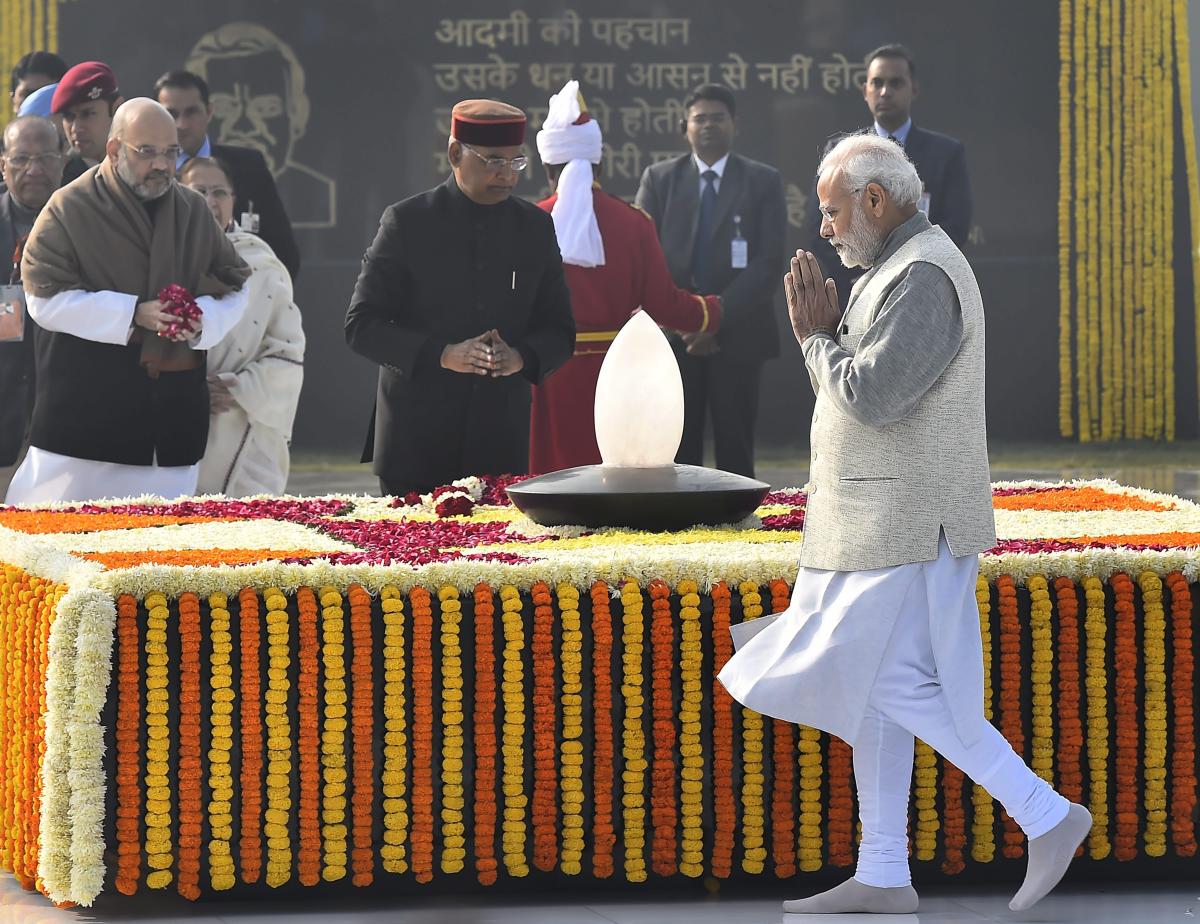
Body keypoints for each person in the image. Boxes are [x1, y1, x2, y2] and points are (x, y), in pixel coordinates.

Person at [718, 134, 1090, 915]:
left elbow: (873, 395)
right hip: (874, 522)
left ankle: (1047, 815)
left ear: (876, 202)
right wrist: (825, 342)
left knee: (887, 680)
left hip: (908, 524)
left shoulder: (923, 276)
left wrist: (815, 341)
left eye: (831, 211)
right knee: (873, 694)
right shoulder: (896, 266)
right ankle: (885, 870)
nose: (823, 229)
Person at [5, 99, 250, 505]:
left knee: (163, 553)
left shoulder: (191, 209)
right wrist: (131, 313)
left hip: (170, 419)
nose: (161, 164)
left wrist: (202, 321)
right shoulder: (70, 207)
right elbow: (42, 299)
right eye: (146, 151)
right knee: (50, 548)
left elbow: (236, 283)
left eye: (170, 152)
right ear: (115, 150)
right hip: (82, 420)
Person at [346, 98, 575, 496]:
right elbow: (361, 325)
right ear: (455, 153)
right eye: (492, 161)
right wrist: (442, 353)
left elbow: (559, 329)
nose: (506, 175)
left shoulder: (534, 228)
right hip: (415, 444)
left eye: (515, 162)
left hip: (500, 442)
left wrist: (520, 357)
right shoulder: (408, 222)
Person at [530, 80, 720, 474]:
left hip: (550, 375)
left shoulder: (529, 222)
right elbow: (663, 304)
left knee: (555, 483)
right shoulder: (632, 223)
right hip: (618, 375)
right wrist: (712, 313)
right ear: (599, 163)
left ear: (547, 167)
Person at [635, 83, 786, 478]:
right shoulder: (659, 179)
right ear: (685, 126)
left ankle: (738, 528)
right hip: (674, 339)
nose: (708, 126)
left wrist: (714, 320)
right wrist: (686, 322)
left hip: (737, 337)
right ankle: (684, 531)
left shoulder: (763, 181)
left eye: (718, 118)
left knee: (735, 448)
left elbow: (767, 265)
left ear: (735, 125)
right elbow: (644, 259)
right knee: (678, 449)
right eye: (699, 118)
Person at [805, 44, 973, 300]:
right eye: (877, 83)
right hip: (855, 288)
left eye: (896, 83)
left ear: (914, 89)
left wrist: (908, 272)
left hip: (922, 288)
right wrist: (865, 277)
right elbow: (822, 228)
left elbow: (956, 226)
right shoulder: (839, 152)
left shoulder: (946, 153)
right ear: (865, 90)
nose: (885, 91)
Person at [180, 156, 304, 496]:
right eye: (199, 190)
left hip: (245, 433)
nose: (210, 201)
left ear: (233, 201)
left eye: (220, 192)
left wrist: (239, 387)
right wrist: (189, 393)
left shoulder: (262, 264)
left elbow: (288, 352)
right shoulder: (157, 260)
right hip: (172, 431)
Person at [156, 70, 300, 279]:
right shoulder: (148, 172)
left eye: (191, 112)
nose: (182, 124)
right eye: (172, 114)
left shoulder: (249, 167)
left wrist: (253, 300)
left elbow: (283, 253)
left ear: (209, 111)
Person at [0, 116, 65, 498]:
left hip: (62, 414)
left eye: (45, 158)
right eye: (21, 158)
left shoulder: (85, 221)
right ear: (3, 163)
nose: (34, 170)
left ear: (63, 159)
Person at [52, 61, 124, 184]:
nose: (76, 128)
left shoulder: (143, 165)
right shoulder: (57, 179)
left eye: (87, 114)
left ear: (117, 109)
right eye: (68, 117)